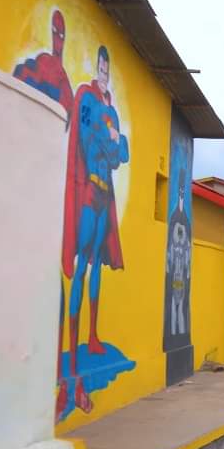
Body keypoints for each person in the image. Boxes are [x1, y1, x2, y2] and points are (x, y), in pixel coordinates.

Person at [58, 44, 130, 420]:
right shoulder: (88, 98)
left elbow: (122, 156)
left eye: (107, 66)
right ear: (96, 67)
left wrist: (114, 144)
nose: (103, 71)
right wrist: (110, 141)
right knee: (83, 264)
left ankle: (93, 336)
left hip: (105, 195)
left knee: (98, 265)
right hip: (89, 192)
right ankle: (72, 353)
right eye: (100, 65)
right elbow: (91, 142)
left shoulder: (112, 110)